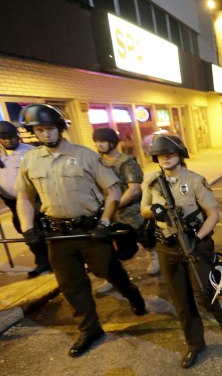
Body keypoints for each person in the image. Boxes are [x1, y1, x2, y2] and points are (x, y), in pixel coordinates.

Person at [16, 104, 146, 358]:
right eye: (39, 130)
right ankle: (90, 328)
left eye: (50, 129)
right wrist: (28, 228)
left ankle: (132, 293)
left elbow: (113, 191)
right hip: (57, 235)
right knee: (71, 284)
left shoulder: (85, 155)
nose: (45, 134)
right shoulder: (30, 160)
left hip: (90, 231)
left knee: (107, 270)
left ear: (60, 128)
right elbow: (24, 197)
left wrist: (105, 222)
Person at [140, 134, 222, 369]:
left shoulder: (194, 180)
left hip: (195, 242)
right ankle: (195, 344)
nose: (166, 158)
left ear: (180, 155)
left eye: (170, 153)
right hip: (166, 246)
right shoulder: (151, 181)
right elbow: (143, 209)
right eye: (161, 155)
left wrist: (198, 238)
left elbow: (213, 215)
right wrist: (154, 210)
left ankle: (219, 310)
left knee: (204, 293)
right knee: (181, 301)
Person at [92, 128, 159, 295]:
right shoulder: (97, 163)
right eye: (97, 141)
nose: (99, 144)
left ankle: (154, 255)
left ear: (113, 142)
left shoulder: (126, 162)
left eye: (102, 141)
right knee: (108, 246)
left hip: (130, 210)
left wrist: (114, 205)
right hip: (107, 212)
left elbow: (134, 189)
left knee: (143, 236)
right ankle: (113, 277)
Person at [0, 121, 51, 277]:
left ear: (17, 136)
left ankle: (56, 261)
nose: (8, 140)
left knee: (44, 232)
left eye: (11, 137)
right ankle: (42, 262)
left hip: (34, 201)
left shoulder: (30, 152)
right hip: (13, 203)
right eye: (4, 138)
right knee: (27, 233)